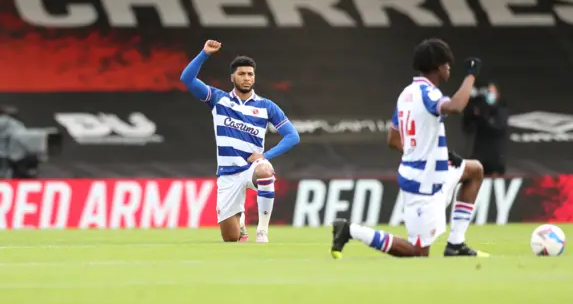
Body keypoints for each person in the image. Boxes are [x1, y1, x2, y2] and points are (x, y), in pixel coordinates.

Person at [330, 38, 487, 258]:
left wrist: (438, 155)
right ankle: (351, 230)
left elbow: (394, 139)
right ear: (437, 66)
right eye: (446, 63)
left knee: (475, 170)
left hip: (434, 173)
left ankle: (456, 245)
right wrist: (471, 76)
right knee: (418, 252)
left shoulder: (406, 94)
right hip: (423, 184)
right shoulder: (429, 93)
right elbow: (456, 106)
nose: (449, 67)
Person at [180, 40, 300, 243]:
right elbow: (187, 78)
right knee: (231, 238)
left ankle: (262, 231)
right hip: (228, 174)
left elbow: (292, 136)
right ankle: (240, 223)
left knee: (265, 171)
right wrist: (204, 53)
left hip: (251, 167)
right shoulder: (218, 99)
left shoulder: (266, 105)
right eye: (242, 74)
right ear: (232, 77)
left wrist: (265, 156)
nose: (246, 78)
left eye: (250, 74)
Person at [462, 81, 509, 176]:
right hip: (479, 157)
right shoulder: (479, 108)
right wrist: (470, 111)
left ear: (498, 94)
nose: (488, 96)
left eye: (491, 93)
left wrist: (483, 115)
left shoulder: (501, 108)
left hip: (495, 159)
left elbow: (497, 127)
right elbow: (468, 128)